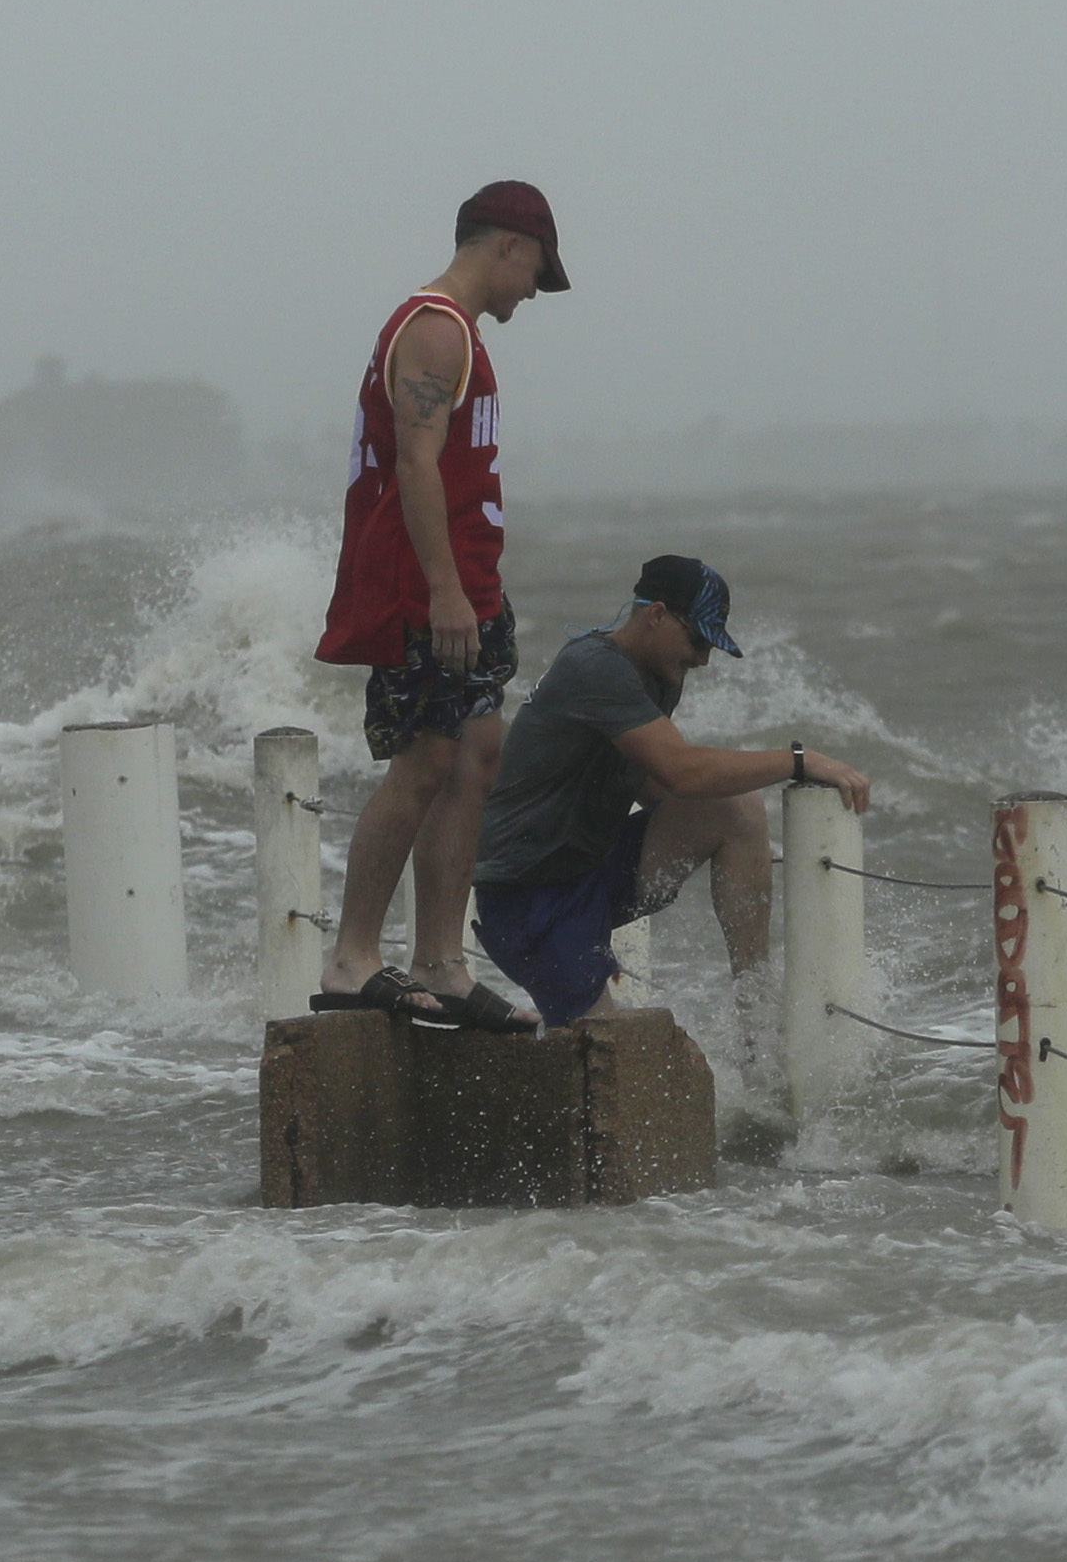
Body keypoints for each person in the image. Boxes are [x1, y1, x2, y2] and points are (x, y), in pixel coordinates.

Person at [309, 180, 568, 1032]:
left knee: (476, 755)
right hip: (429, 593)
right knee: (424, 759)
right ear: (507, 246)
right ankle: (352, 960)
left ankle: (441, 963)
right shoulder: (434, 329)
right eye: (536, 270)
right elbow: (416, 468)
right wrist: (447, 593)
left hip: (470, 587)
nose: (533, 291)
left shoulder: (460, 337)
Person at [470, 554, 875, 1029]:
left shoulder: (660, 676)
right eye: (698, 640)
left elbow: (657, 783)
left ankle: (757, 1017)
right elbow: (681, 771)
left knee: (734, 809)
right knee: (610, 1053)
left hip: (593, 868)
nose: (703, 659)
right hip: (529, 896)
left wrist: (722, 852)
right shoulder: (594, 668)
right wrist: (801, 760)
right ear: (657, 615)